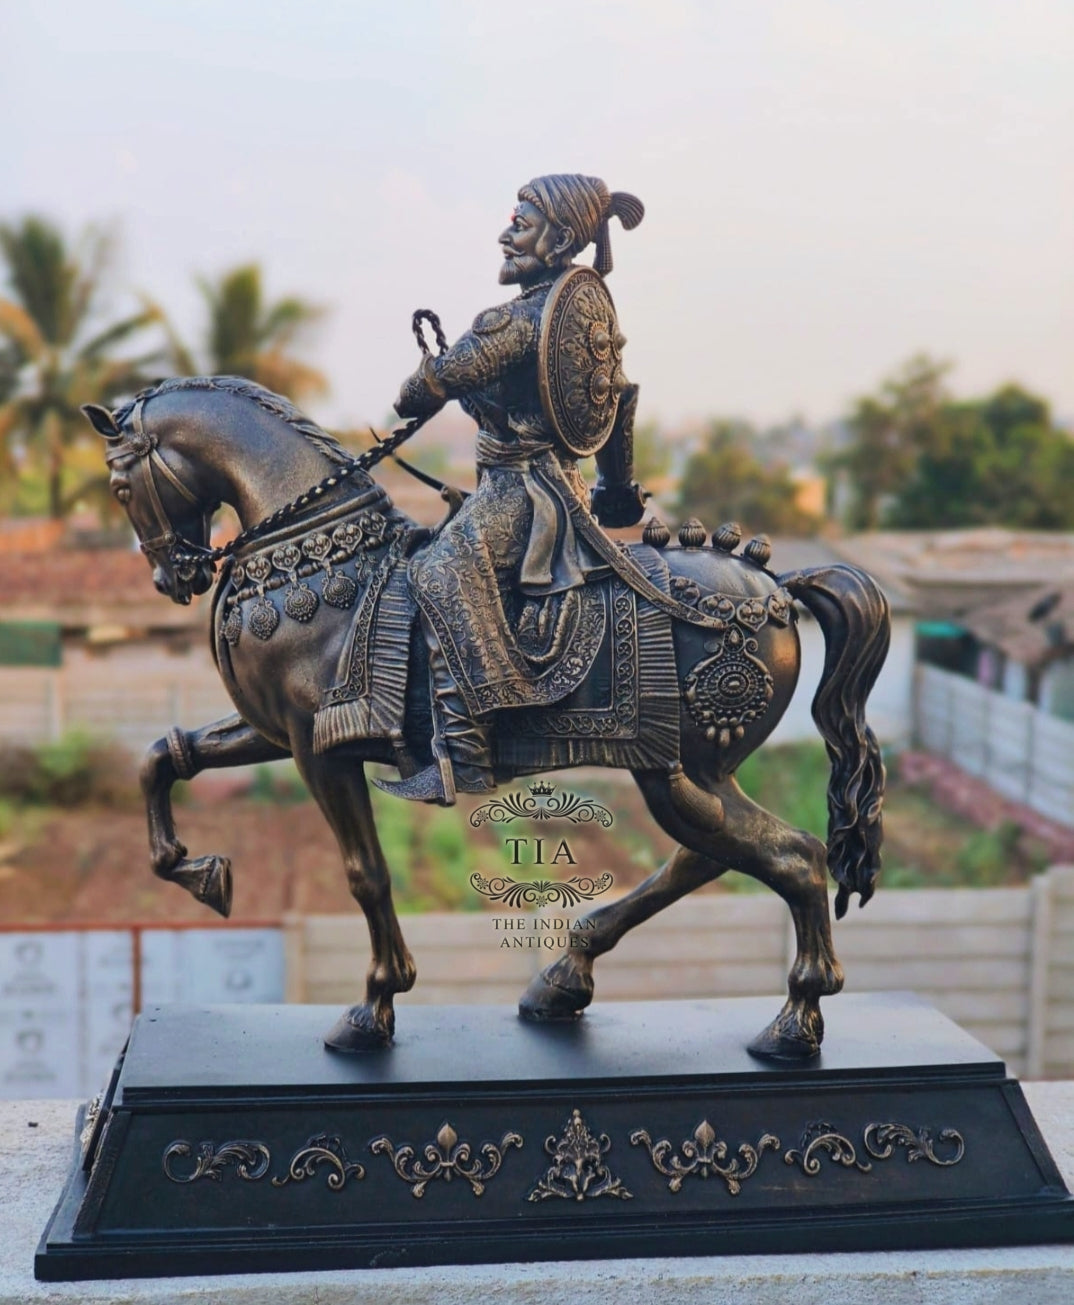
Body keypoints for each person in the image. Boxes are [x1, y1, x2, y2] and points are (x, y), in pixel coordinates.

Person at [376, 174, 647, 805]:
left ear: (558, 241)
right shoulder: (583, 316)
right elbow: (618, 401)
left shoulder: (515, 322)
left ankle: (464, 756)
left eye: (520, 224)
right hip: (568, 490)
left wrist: (425, 379)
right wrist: (617, 488)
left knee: (440, 570)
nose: (506, 235)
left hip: (518, 495)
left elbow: (421, 392)